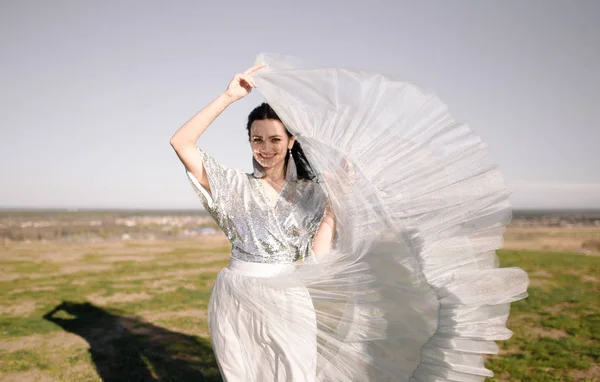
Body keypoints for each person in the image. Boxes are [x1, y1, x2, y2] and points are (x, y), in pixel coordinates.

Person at [171, 54, 529, 382]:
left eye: (275, 139)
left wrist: (333, 209)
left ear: (291, 141)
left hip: (286, 295)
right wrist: (229, 97)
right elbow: (181, 142)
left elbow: (318, 257)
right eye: (257, 139)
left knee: (297, 375)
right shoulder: (231, 185)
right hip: (235, 293)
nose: (266, 148)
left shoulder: (311, 193)